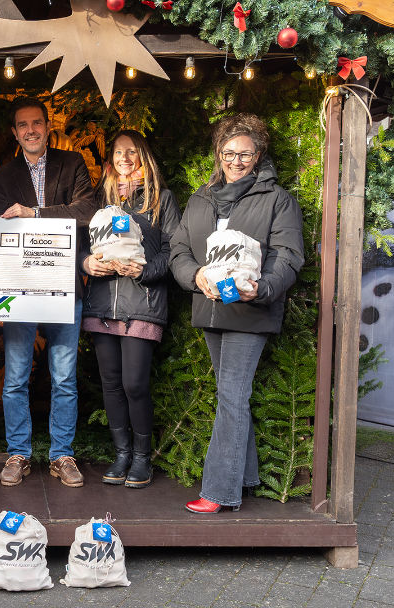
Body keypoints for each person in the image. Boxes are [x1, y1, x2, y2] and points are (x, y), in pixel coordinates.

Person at [169, 113, 304, 513]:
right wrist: (195, 277)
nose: (236, 160)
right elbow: (179, 250)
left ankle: (218, 492)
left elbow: (288, 256)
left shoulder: (278, 200)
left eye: (245, 154)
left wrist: (261, 289)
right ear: (218, 155)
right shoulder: (200, 198)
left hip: (250, 313)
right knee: (232, 397)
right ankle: (243, 478)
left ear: (258, 155)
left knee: (232, 396)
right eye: (228, 153)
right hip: (210, 310)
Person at [0, 96, 99, 488]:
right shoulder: (1, 178)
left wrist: (32, 214)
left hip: (66, 288)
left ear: (47, 127)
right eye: (23, 125)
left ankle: (61, 455)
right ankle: (19, 452)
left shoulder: (72, 164)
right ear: (15, 132)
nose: (31, 130)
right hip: (20, 291)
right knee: (16, 377)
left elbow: (86, 211)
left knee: (64, 378)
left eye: (37, 123)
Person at [80, 130, 180, 489]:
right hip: (103, 303)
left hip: (143, 303)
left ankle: (142, 457)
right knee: (110, 384)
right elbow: (77, 245)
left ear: (143, 157)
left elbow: (174, 250)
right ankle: (121, 454)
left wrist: (147, 270)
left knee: (134, 384)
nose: (125, 157)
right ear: (110, 160)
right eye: (119, 152)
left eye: (132, 151)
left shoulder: (160, 199)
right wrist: (88, 263)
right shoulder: (99, 199)